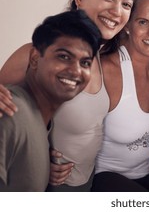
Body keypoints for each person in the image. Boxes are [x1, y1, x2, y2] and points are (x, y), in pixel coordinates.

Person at [0, 0, 136, 191]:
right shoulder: (38, 53)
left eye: (126, 4)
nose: (117, 11)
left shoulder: (99, 56)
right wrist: (37, 157)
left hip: (86, 184)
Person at [0, 10, 101, 191]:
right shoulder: (9, 115)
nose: (76, 71)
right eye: (64, 56)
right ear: (35, 58)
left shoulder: (39, 120)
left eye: (85, 62)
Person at [91, 0, 149, 192]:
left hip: (146, 178)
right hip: (102, 179)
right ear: (127, 23)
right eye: (143, 22)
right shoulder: (105, 69)